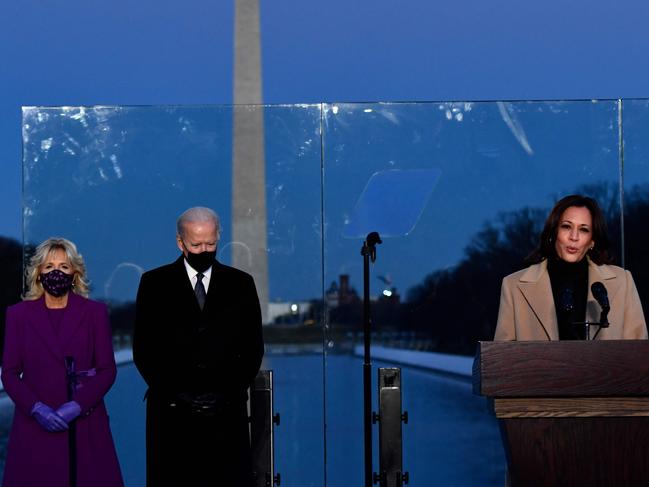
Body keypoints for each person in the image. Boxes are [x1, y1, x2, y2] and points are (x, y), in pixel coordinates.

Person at [133, 206, 264, 487]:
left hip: (226, 417)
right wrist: (180, 394)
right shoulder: (153, 284)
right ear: (180, 243)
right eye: (196, 244)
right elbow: (144, 350)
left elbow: (252, 349)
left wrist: (225, 393)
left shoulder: (241, 284)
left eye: (211, 243)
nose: (204, 249)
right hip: (171, 418)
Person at [1, 237, 124, 487]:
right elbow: (10, 373)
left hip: (84, 423)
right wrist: (37, 409)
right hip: (35, 423)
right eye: (48, 267)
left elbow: (107, 370)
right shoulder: (17, 315)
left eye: (64, 267)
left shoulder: (95, 312)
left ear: (75, 272)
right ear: (38, 273)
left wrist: (76, 406)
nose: (56, 272)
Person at [495, 194, 648, 341]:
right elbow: (501, 358)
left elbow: (638, 354)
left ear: (592, 240)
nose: (574, 237)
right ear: (553, 232)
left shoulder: (623, 282)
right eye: (567, 227)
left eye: (584, 229)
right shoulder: (513, 286)